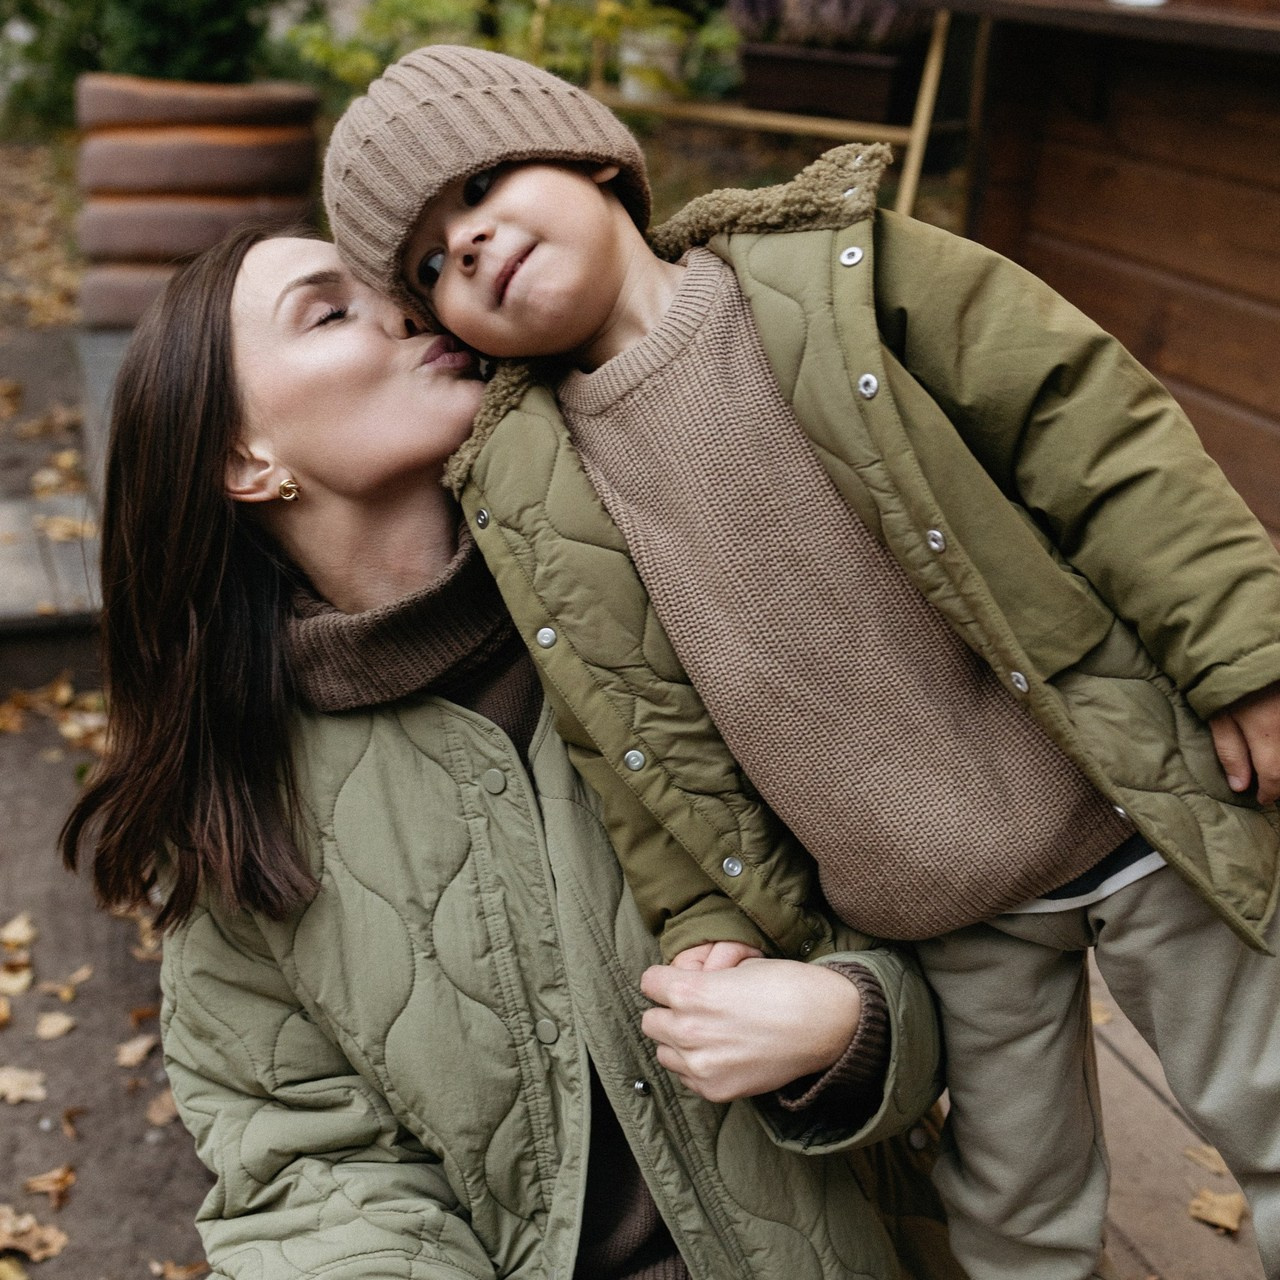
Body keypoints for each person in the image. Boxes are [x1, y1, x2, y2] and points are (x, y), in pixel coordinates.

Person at [322, 45, 1280, 1280]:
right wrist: (711, 917)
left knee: (1265, 1103)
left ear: (594, 155)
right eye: (426, 267)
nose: (468, 246)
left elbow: (1086, 424)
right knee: (1012, 1209)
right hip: (938, 908)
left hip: (1127, 796)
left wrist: (1238, 644)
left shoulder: (837, 274)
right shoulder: (535, 485)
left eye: (478, 184)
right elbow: (633, 742)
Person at [59, 224, 962, 1280]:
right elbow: (305, 1158)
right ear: (244, 461)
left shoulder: (669, 586)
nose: (407, 307)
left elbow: (946, 885)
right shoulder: (232, 793)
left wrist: (852, 1023)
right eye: (327, 310)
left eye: (393, 287)